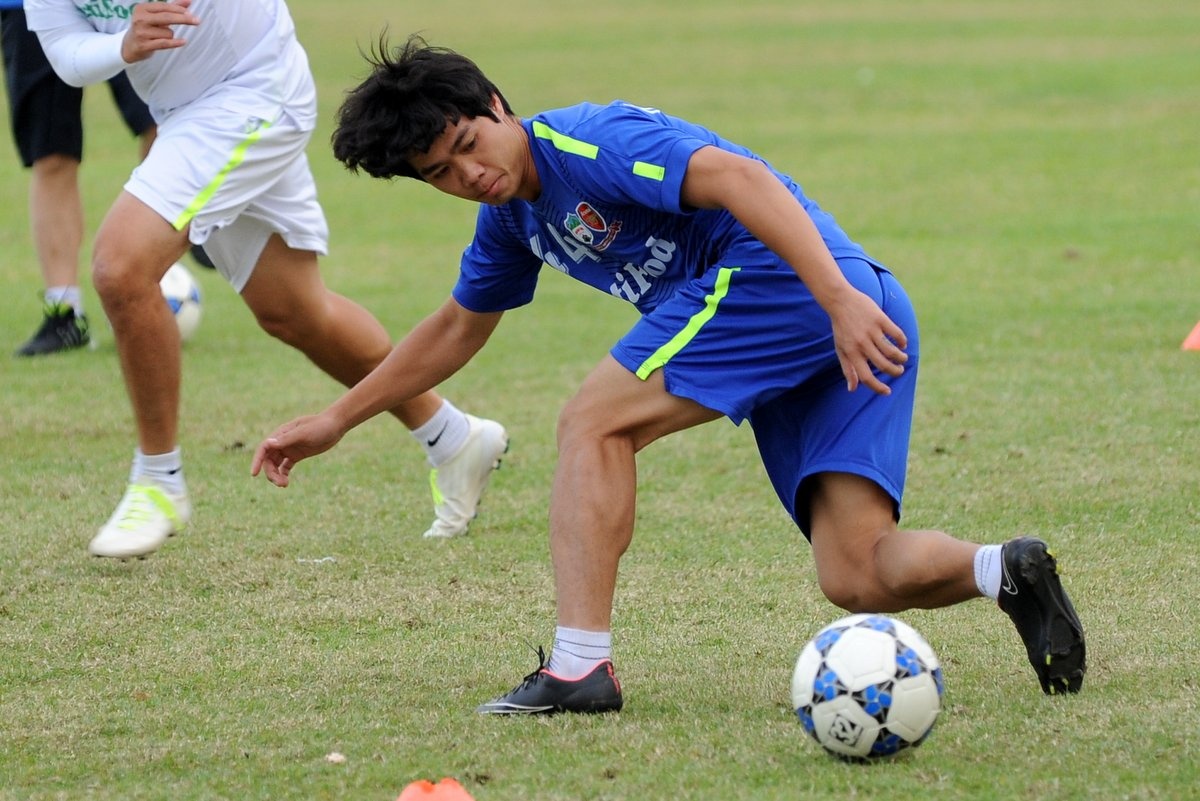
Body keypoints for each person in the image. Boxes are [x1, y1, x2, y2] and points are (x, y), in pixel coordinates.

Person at [252, 35, 1086, 713]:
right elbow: (455, 328)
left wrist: (837, 298)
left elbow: (740, 177)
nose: (467, 174)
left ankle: (580, 665)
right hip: (843, 313)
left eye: (468, 144)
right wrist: (338, 418)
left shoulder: (589, 140)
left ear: (497, 106)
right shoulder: (510, 219)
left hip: (797, 290)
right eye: (439, 172)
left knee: (592, 421)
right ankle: (1004, 569)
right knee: (856, 571)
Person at [24, 3, 508, 559]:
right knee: (295, 313)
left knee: (121, 267)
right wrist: (122, 44)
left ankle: (158, 480)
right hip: (183, 113)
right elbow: (65, 55)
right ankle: (451, 436)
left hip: (256, 90)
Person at [2, 1, 154, 357]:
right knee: (51, 154)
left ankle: (184, 234)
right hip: (29, 7)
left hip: (120, 5)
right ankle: (65, 314)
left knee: (163, 121)